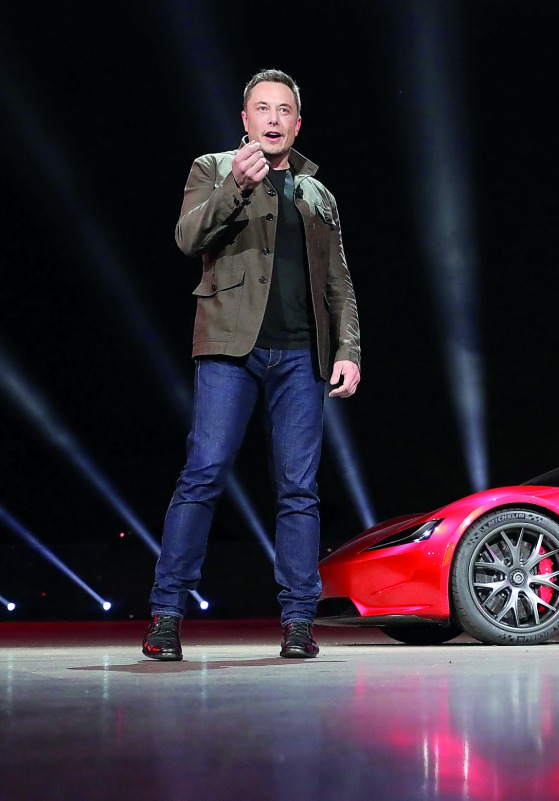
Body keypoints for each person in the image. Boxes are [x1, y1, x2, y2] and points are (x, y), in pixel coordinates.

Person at [142, 69, 361, 661]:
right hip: (229, 348)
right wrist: (235, 186)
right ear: (245, 120)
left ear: (296, 122)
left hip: (301, 354)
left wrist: (347, 350)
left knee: (298, 489)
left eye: (283, 109)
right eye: (261, 108)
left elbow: (339, 282)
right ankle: (166, 615)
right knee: (205, 471)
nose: (272, 118)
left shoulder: (318, 194)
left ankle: (297, 622)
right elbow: (189, 238)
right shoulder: (213, 168)